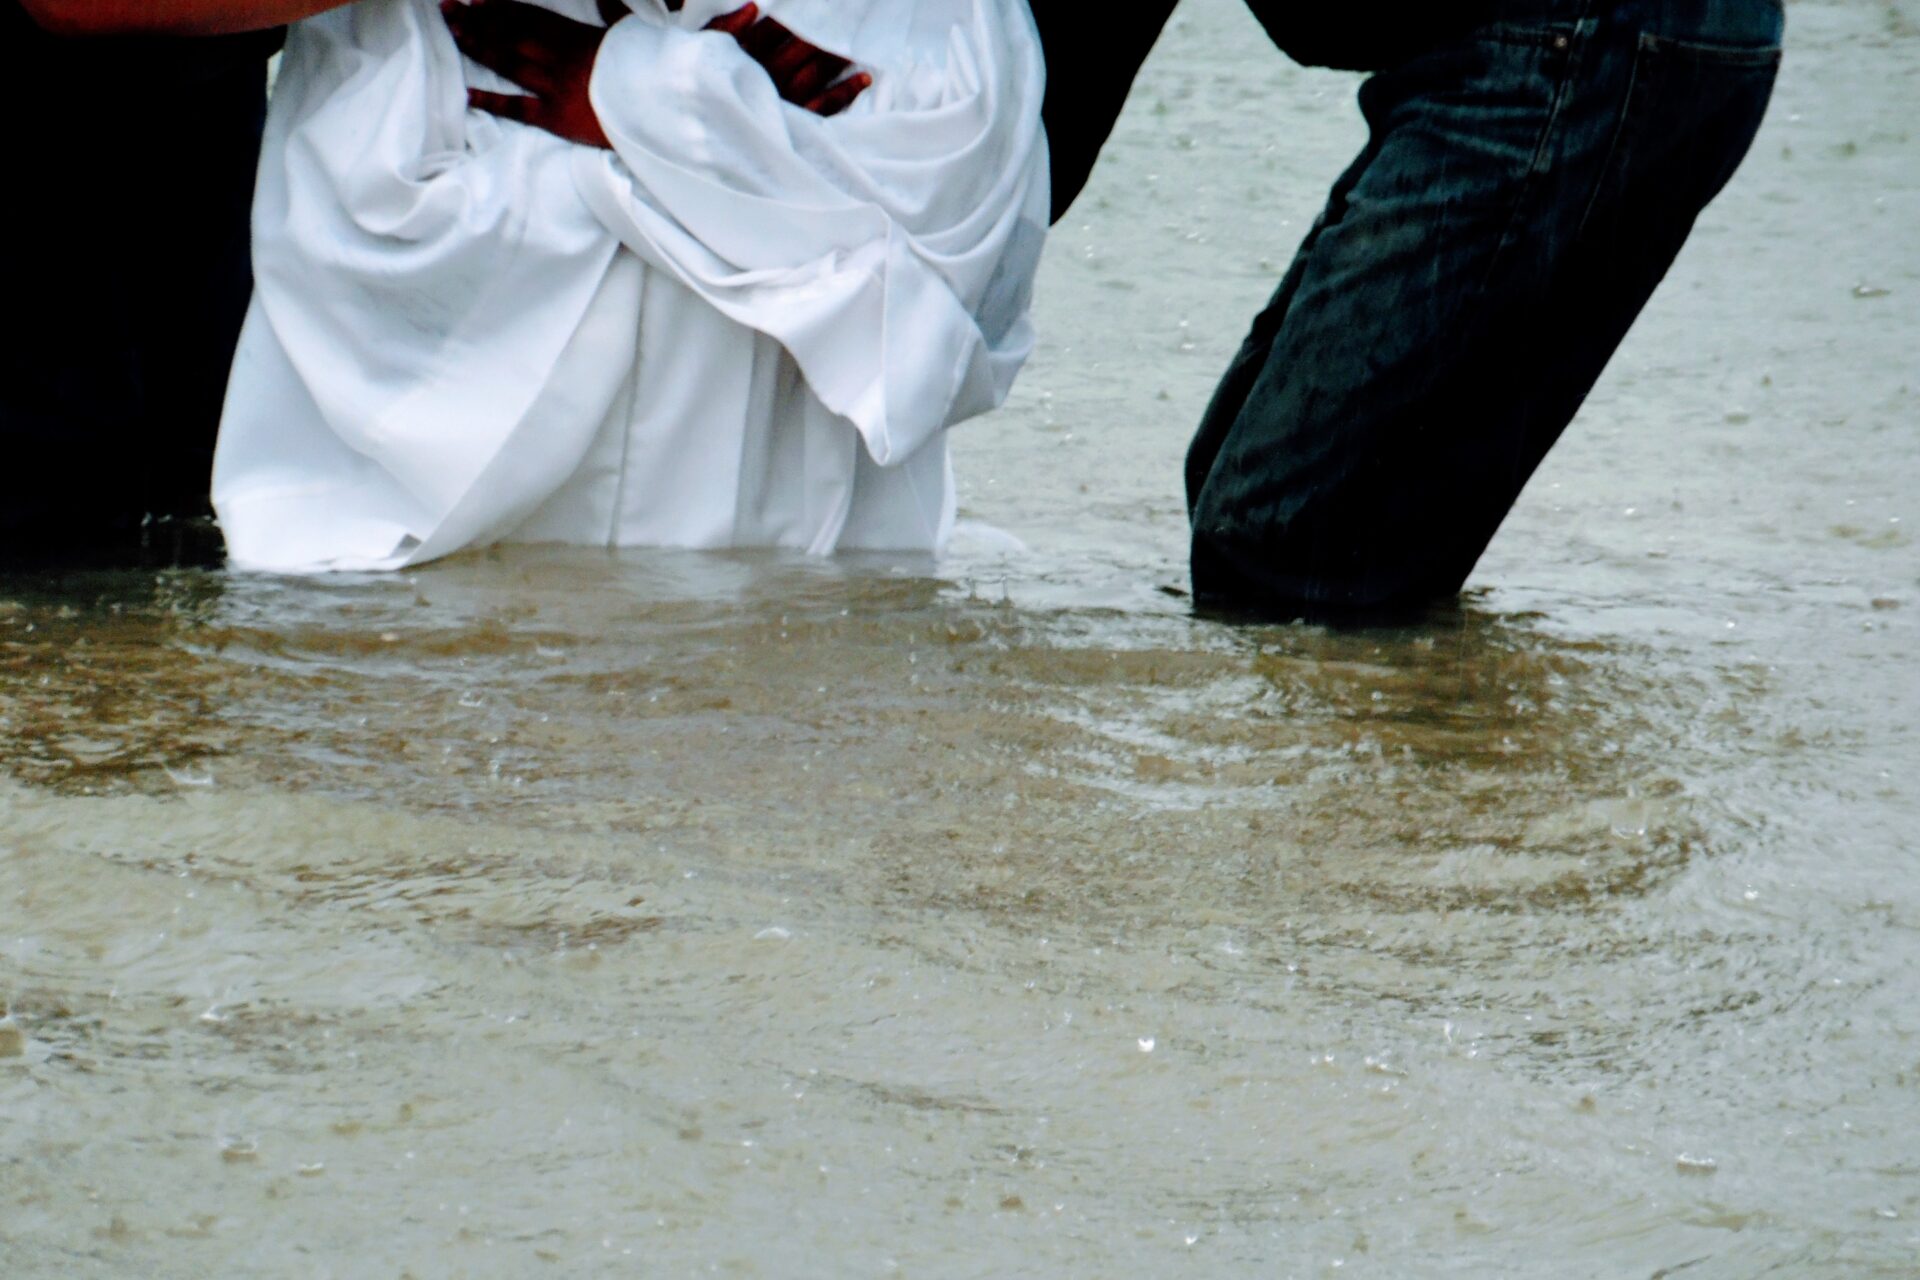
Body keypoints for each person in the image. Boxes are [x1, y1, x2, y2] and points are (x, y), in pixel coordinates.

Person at [209, 0, 1050, 572]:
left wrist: (680, 97)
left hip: (795, 83)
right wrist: (700, 107)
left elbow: (951, 193)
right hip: (478, 102)